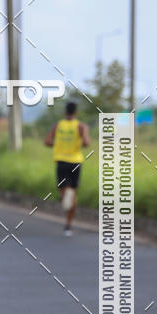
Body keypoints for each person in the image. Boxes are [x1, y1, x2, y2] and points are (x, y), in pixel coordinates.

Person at [44, 100, 90, 235]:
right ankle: (68, 225)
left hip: (61, 162)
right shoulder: (81, 126)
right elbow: (86, 143)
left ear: (65, 112)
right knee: (73, 193)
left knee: (65, 192)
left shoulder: (57, 125)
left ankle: (64, 197)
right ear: (76, 112)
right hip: (76, 162)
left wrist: (59, 145)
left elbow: (47, 142)